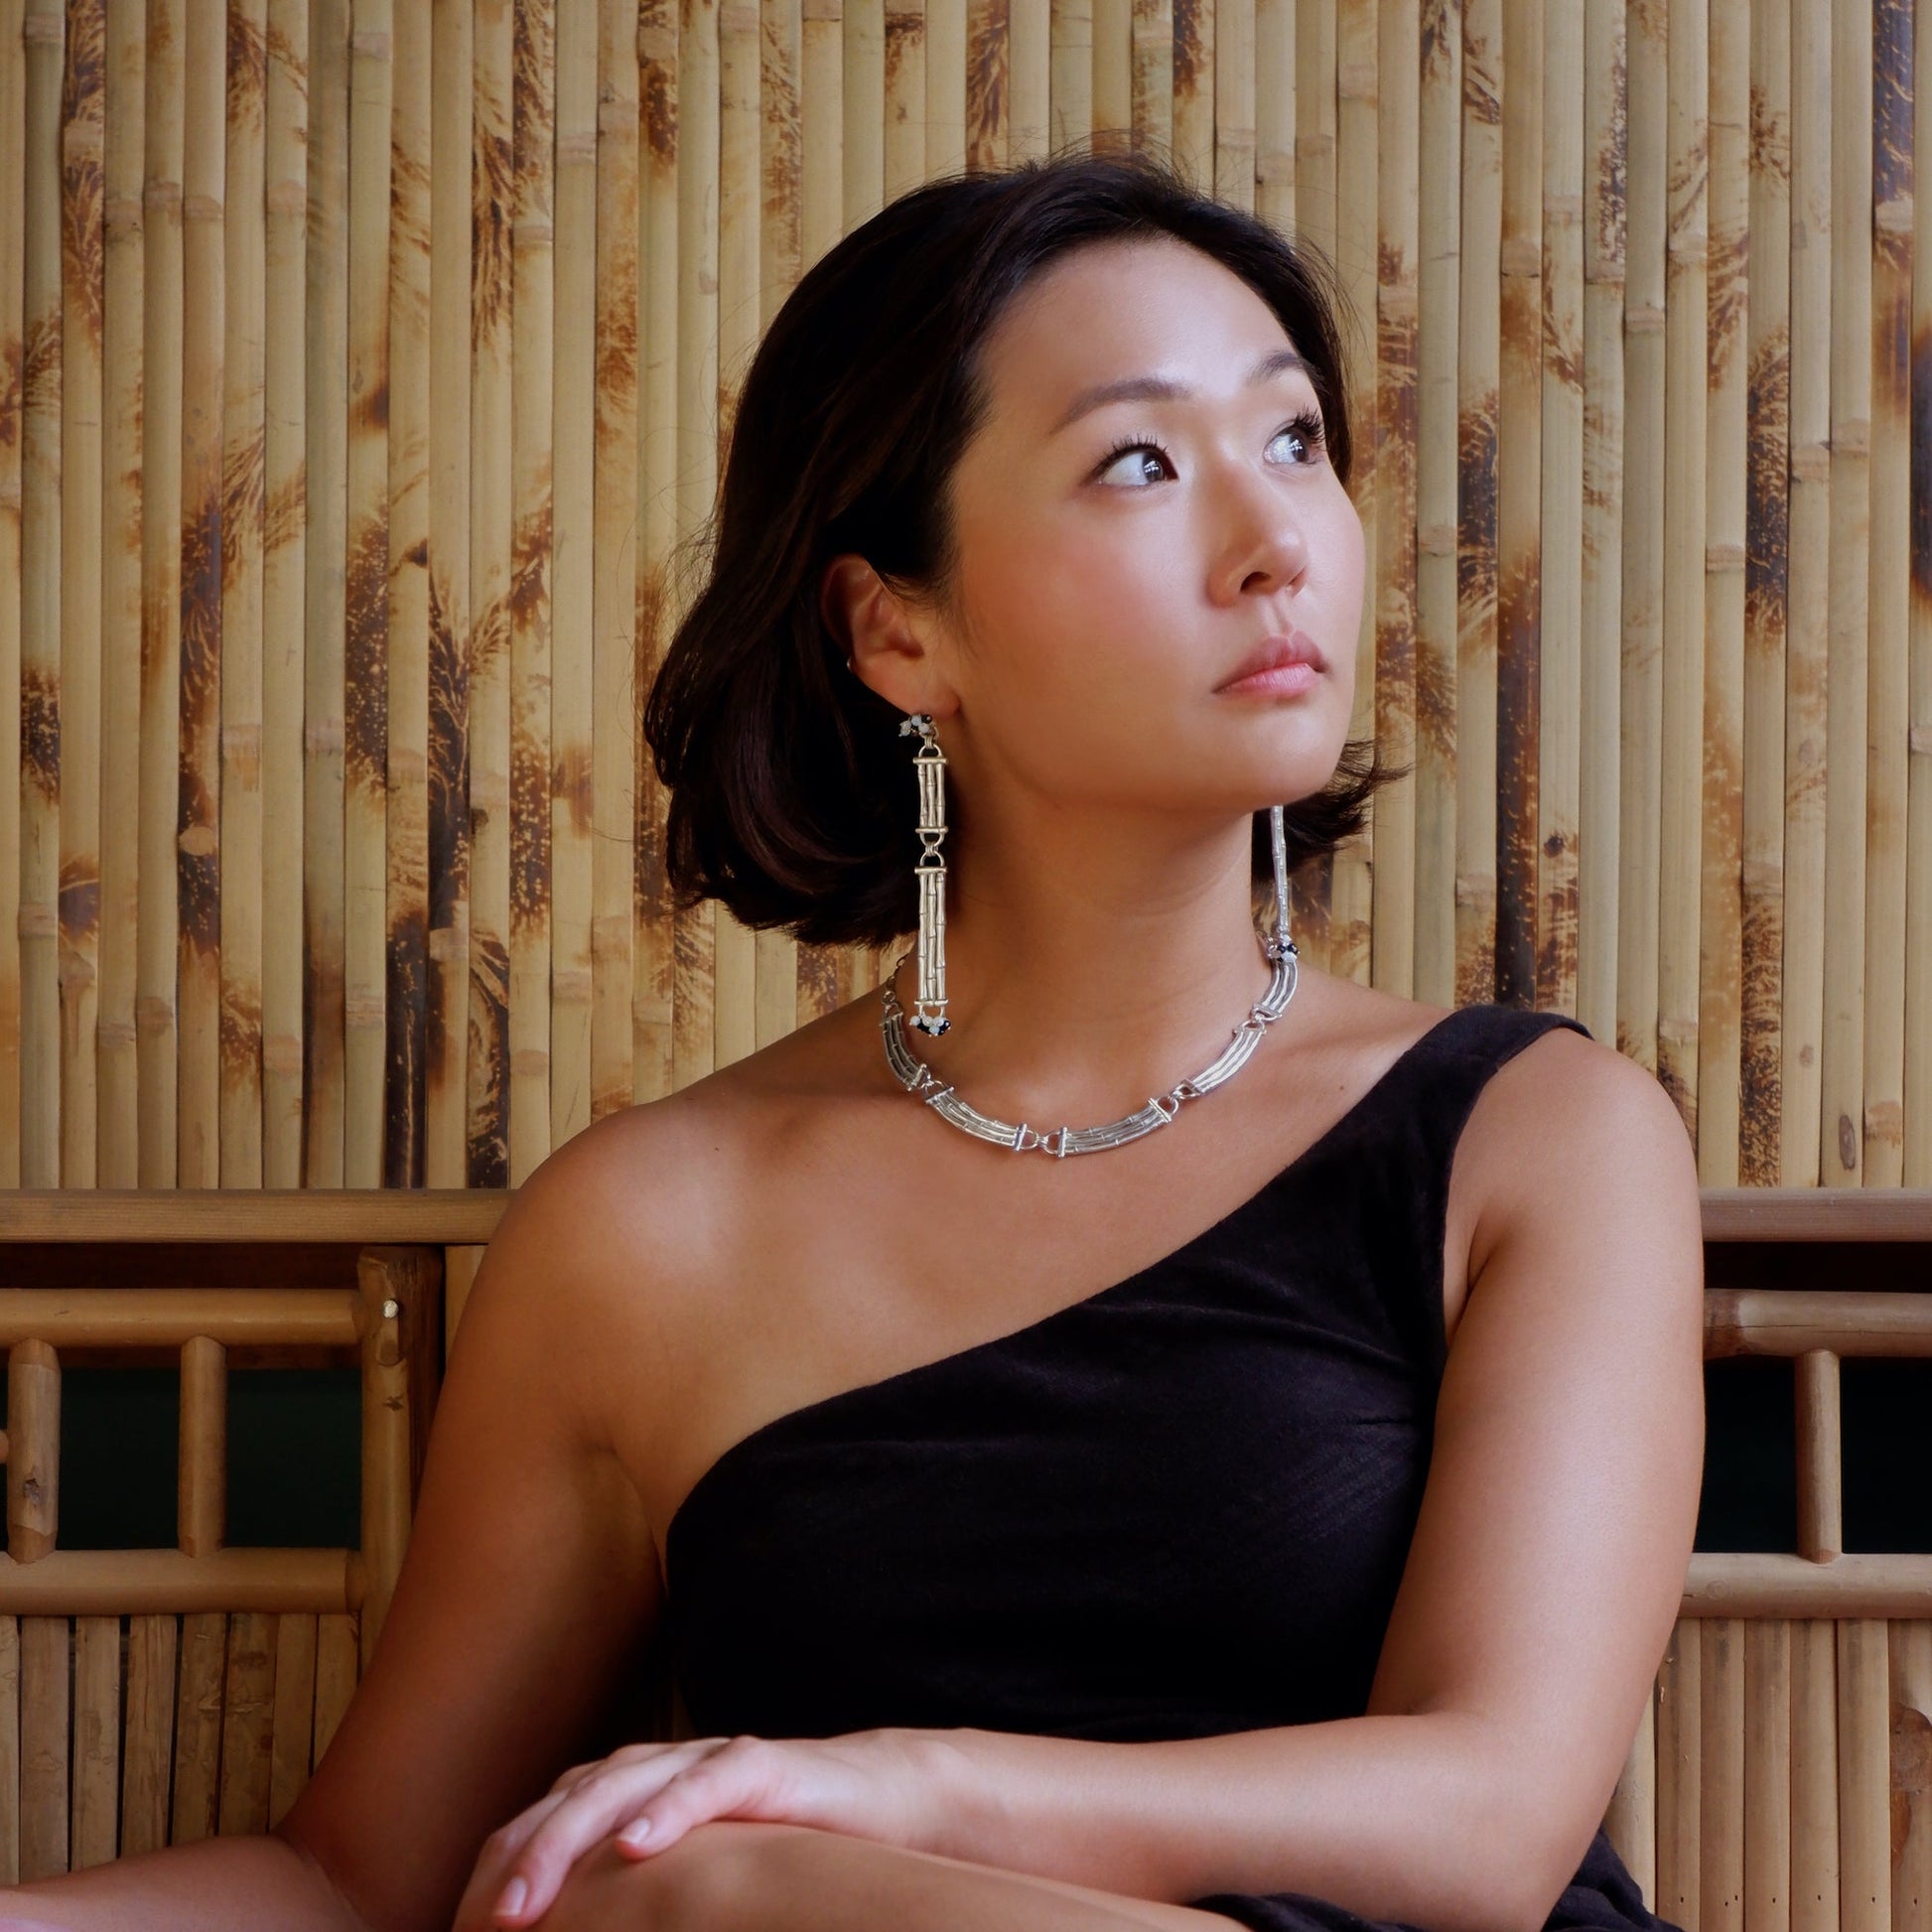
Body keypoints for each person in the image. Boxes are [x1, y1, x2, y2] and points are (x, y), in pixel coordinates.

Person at [4, 147, 1705, 1932]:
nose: (1278, 539)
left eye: (1293, 442)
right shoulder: (651, 1230)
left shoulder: (1536, 1134)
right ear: (896, 628)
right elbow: (361, 1883)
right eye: (1140, 461)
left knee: (683, 1897)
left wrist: (885, 1785)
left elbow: (1492, 1818)